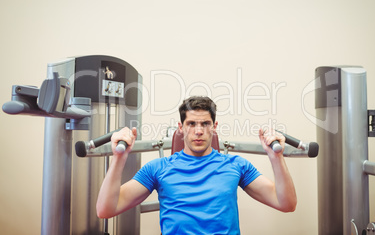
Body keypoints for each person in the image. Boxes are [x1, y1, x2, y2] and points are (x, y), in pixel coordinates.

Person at [96, 96, 297, 234]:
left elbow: (286, 203)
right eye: (191, 124)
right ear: (181, 128)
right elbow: (106, 209)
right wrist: (119, 158)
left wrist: (275, 157)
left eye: (205, 124)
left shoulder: (236, 165)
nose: (198, 131)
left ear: (214, 127)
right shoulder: (158, 168)